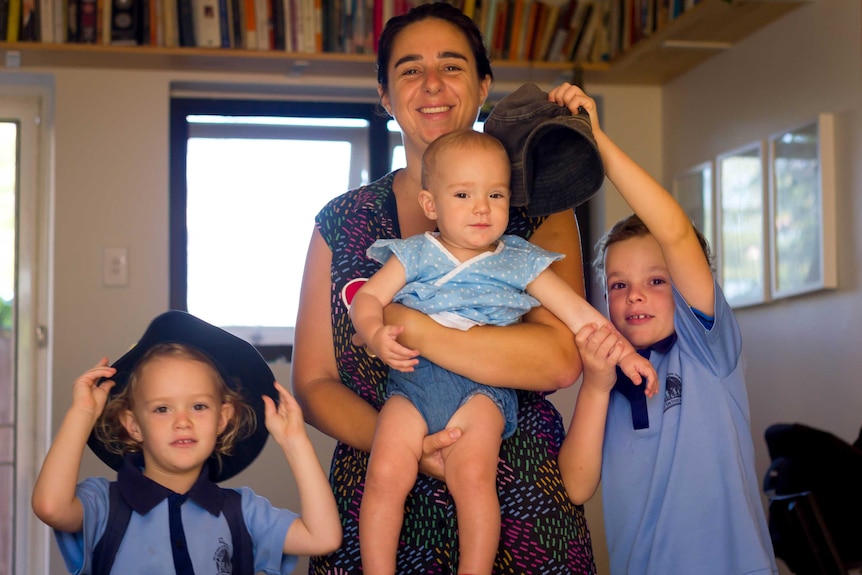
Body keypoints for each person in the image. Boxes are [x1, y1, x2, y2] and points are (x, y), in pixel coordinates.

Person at [291, 3, 601, 573]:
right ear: (385, 95)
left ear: (483, 86)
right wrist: (409, 449)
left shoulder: (538, 208)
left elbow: (557, 359)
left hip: (518, 498)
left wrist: (416, 330)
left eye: (452, 66)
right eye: (409, 69)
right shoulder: (342, 221)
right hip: (379, 491)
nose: (432, 84)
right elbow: (313, 382)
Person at [350, 129, 656, 575]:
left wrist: (625, 355)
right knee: (383, 476)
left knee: (474, 480)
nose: (481, 207)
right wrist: (376, 334)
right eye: (463, 194)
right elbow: (368, 300)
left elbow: (580, 316)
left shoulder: (518, 259)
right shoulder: (415, 253)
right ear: (430, 204)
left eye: (495, 194)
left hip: (482, 390)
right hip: (414, 381)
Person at [553, 83, 778, 574]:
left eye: (656, 281)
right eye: (617, 285)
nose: (634, 295)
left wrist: (596, 140)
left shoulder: (708, 350)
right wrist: (595, 384)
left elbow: (673, 230)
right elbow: (574, 485)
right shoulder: (605, 375)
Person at [32, 310, 341, 575]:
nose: (182, 421)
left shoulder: (241, 512)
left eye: (198, 406)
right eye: (162, 409)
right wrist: (82, 414)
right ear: (133, 425)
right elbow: (50, 506)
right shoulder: (105, 504)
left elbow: (323, 537)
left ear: (223, 419)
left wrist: (295, 442)